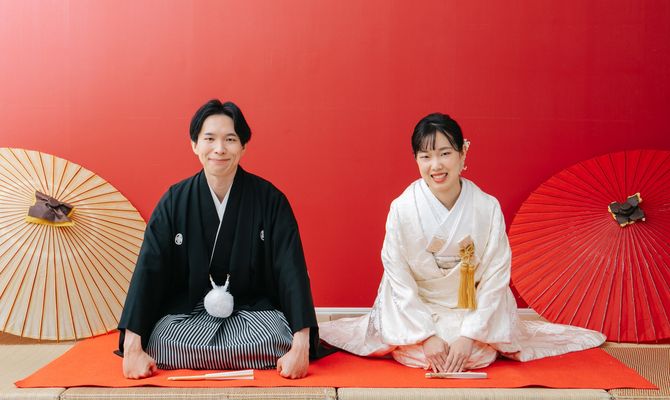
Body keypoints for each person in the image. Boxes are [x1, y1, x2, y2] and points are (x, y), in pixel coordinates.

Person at [319, 113, 606, 373]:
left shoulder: (486, 207)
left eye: (445, 153)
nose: (436, 166)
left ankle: (467, 339)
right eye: (425, 156)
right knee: (425, 349)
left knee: (474, 354)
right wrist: (426, 336)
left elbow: (495, 276)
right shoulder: (402, 208)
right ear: (416, 159)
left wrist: (470, 336)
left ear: (462, 153)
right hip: (418, 306)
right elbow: (398, 277)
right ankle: (425, 340)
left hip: (471, 306)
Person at [118, 99, 320, 379]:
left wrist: (300, 345)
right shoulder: (175, 201)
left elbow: (291, 270)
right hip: (190, 315)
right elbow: (148, 270)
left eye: (230, 139)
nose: (220, 149)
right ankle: (242, 356)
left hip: (254, 313)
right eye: (209, 139)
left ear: (244, 146)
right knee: (162, 340)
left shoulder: (270, 200)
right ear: (194, 145)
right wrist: (132, 346)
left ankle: (263, 348)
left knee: (274, 337)